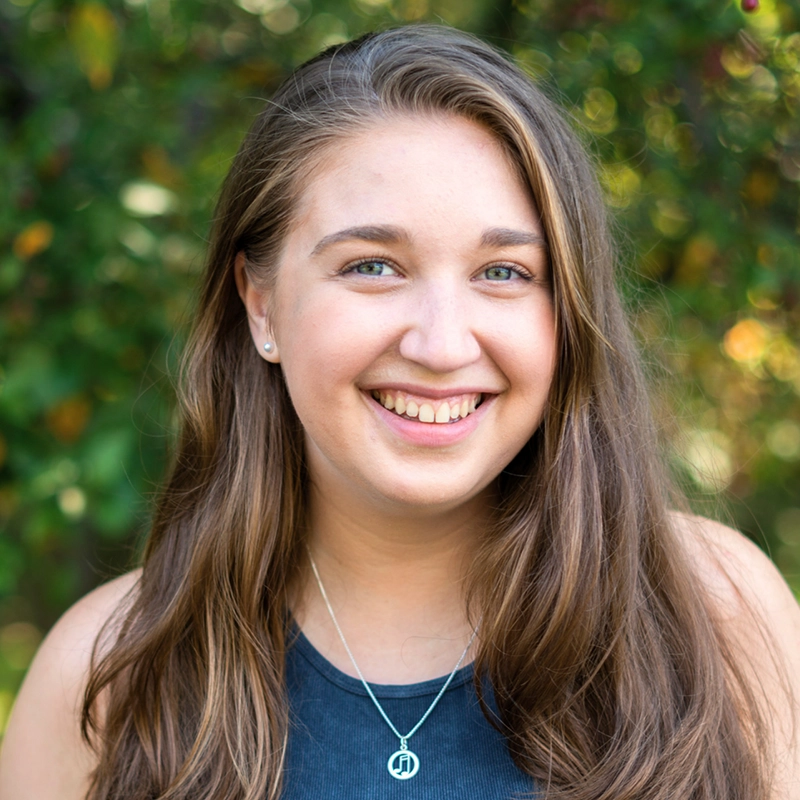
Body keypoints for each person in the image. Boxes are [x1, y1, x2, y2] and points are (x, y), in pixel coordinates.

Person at [1, 24, 798, 800]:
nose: (444, 344)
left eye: (504, 272)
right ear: (262, 304)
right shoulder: (109, 672)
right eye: (373, 265)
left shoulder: (716, 616)